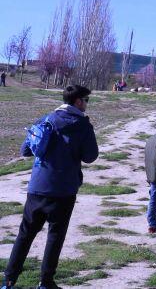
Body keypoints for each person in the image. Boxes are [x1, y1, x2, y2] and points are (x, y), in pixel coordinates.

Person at [3, 85, 99, 289]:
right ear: (78, 102)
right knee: (55, 236)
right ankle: (45, 282)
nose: (87, 105)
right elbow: (90, 156)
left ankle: (9, 281)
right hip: (63, 190)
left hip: (37, 187)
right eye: (86, 100)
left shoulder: (46, 119)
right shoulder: (82, 124)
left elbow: (26, 150)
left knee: (25, 234)